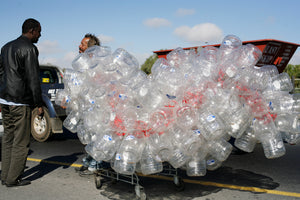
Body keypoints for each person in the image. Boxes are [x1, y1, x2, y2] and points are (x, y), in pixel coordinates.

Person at [0, 18, 44, 187]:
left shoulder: (6, 47)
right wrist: (38, 103)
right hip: (19, 102)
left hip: (4, 99)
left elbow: (0, 74)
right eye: (39, 31)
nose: (40, 35)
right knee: (21, 142)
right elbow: (33, 79)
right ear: (32, 31)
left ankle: (5, 176)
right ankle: (13, 179)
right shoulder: (30, 49)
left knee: (8, 139)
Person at [74, 33, 108, 176]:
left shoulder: (98, 64)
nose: (79, 46)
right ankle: (89, 161)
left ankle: (95, 165)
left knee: (96, 136)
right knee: (88, 135)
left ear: (90, 49)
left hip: (98, 106)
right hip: (87, 105)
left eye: (82, 44)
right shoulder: (83, 63)